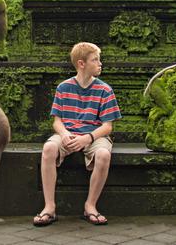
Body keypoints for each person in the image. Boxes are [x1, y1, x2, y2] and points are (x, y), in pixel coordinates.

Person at [33, 42, 121, 227]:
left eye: (99, 59)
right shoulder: (63, 88)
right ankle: (49, 207)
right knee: (48, 148)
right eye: (95, 60)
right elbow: (57, 121)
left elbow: (107, 127)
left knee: (104, 154)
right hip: (68, 134)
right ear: (81, 64)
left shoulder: (105, 90)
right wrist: (64, 134)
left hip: (94, 135)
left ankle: (90, 206)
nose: (100, 63)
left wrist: (87, 138)